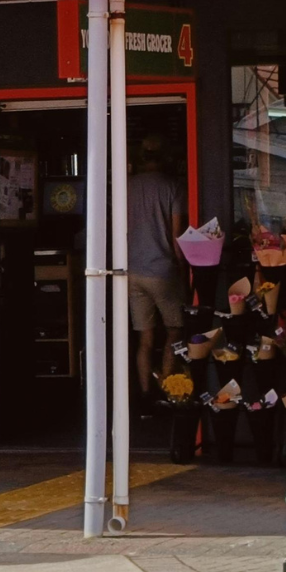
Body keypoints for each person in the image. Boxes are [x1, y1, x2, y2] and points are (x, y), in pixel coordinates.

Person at [125, 133, 188, 408]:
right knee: (175, 330)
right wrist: (184, 268)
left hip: (133, 271)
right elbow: (177, 236)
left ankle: (145, 393)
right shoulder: (173, 186)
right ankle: (168, 388)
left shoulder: (128, 187)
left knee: (144, 337)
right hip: (162, 269)